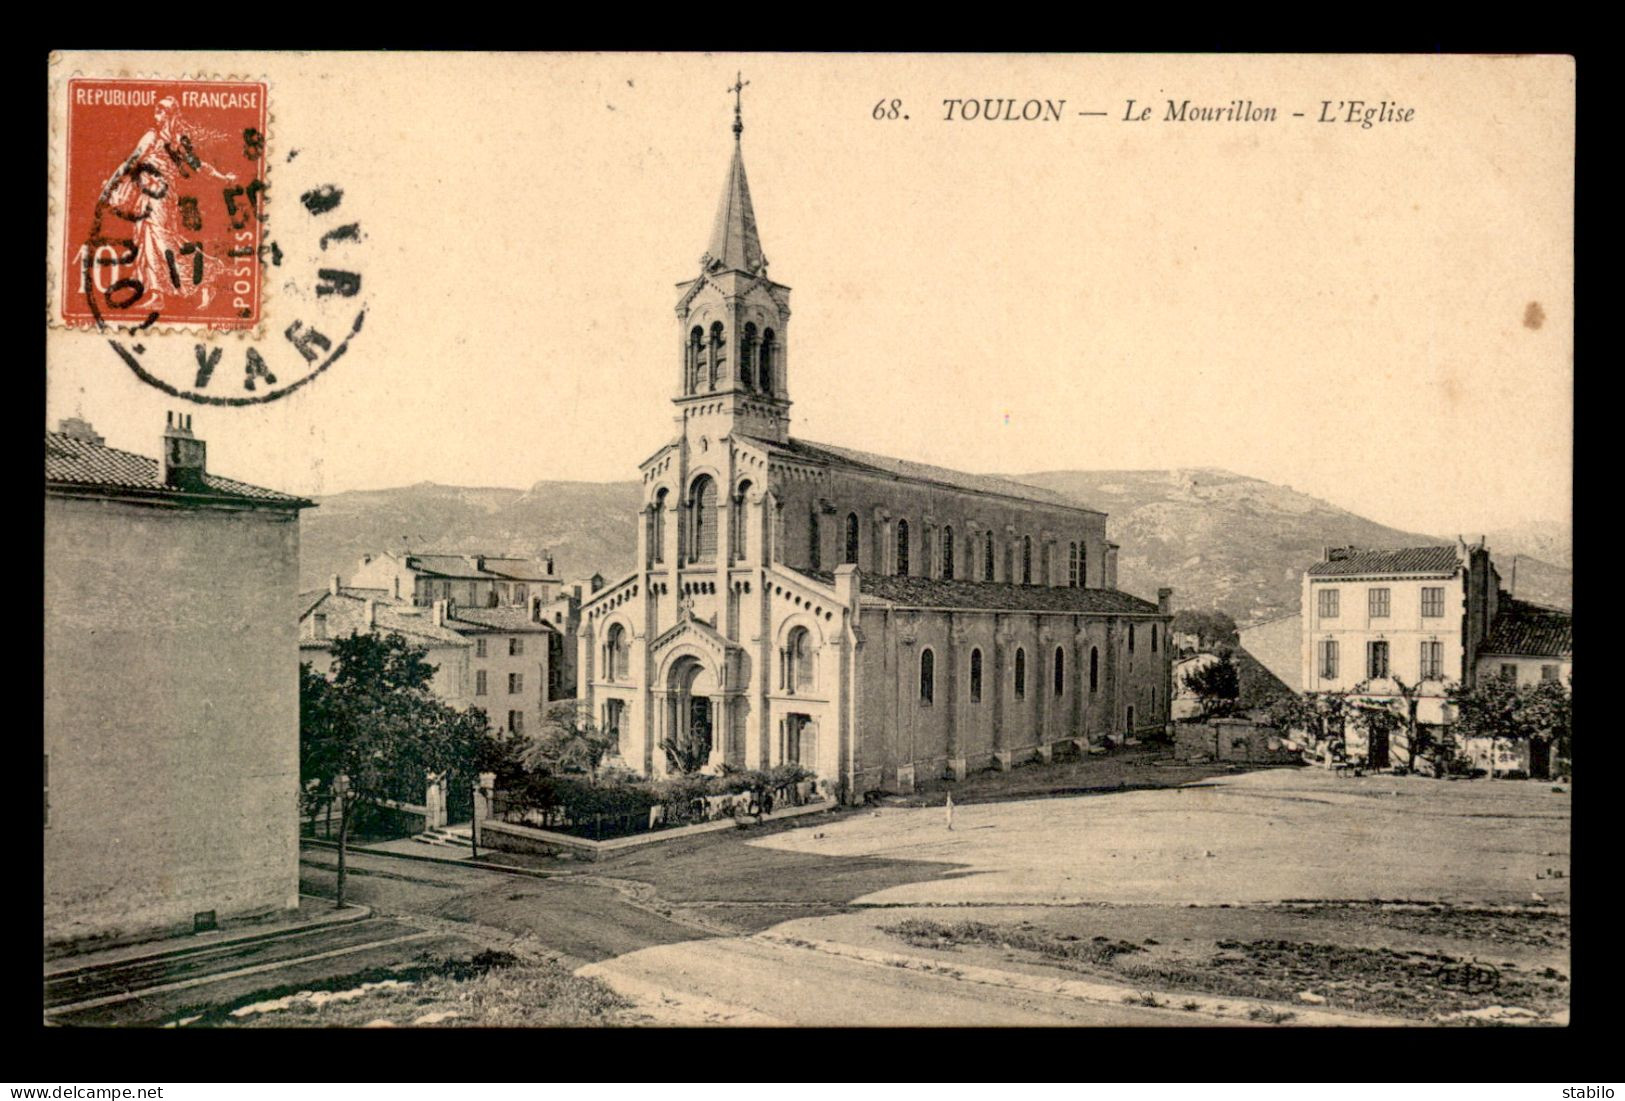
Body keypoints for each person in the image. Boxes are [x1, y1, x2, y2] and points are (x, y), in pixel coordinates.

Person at [97, 97, 237, 312]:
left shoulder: (176, 141)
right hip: (148, 195)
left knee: (164, 243)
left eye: (161, 111)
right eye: (157, 111)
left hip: (163, 197)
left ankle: (206, 275)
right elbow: (130, 163)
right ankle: (157, 294)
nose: (157, 115)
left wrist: (223, 177)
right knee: (149, 241)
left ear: (170, 115)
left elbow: (199, 165)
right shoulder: (152, 137)